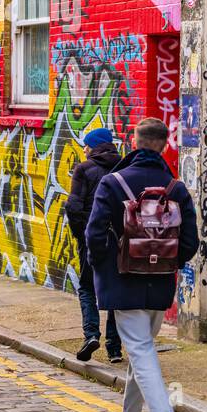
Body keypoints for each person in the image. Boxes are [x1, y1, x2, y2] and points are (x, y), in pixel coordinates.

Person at [85, 117, 199, 412]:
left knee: (142, 352)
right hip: (160, 284)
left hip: (124, 282)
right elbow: (190, 242)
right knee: (142, 349)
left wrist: (106, 267)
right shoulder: (176, 188)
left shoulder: (113, 182)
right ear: (165, 145)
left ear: (134, 141)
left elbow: (94, 234)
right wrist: (164, 263)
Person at [64, 127, 123, 364]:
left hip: (92, 238)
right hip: (119, 240)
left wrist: (82, 235)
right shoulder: (124, 167)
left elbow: (74, 207)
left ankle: (91, 335)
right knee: (116, 292)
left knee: (87, 286)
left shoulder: (84, 169)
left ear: (95, 145)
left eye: (87, 145)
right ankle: (114, 348)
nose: (84, 149)